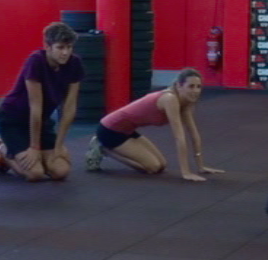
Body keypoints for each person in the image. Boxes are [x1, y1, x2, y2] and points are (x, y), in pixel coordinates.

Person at [0, 22, 83, 182]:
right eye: (60, 47)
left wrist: (59, 146)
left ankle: (36, 155)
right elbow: (35, 107)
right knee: (34, 174)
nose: (65, 53)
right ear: (48, 46)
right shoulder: (35, 62)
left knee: (60, 171)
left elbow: (69, 108)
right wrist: (34, 147)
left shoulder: (74, 63)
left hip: (41, 122)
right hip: (13, 119)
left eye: (69, 47)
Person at [84, 68, 224, 182]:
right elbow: (179, 137)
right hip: (110, 130)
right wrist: (186, 173)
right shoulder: (170, 99)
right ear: (179, 86)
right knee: (153, 167)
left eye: (198, 87)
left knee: (162, 165)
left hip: (128, 130)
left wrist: (201, 166)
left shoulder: (186, 103)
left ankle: (105, 147)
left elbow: (194, 134)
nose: (195, 91)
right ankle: (104, 148)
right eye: (191, 86)